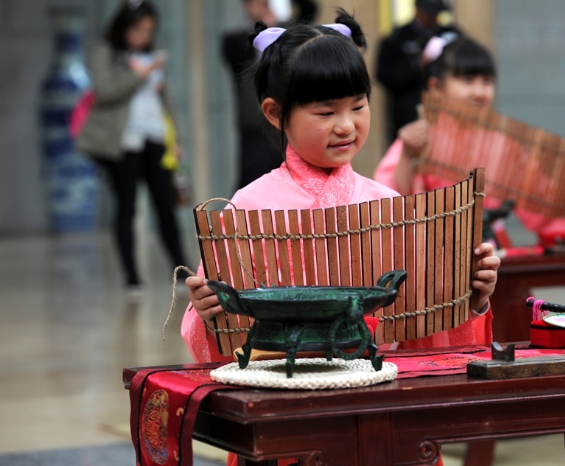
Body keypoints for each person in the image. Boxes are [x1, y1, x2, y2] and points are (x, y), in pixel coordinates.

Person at [183, 11, 500, 466]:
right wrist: (209, 311)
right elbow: (220, 345)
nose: (346, 125)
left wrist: (470, 298)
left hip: (380, 405)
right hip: (286, 414)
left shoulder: (389, 204)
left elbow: (426, 339)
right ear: (275, 113)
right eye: (326, 111)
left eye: (357, 105)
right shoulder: (248, 208)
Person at [375, 35, 565, 239]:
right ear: (435, 87)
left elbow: (541, 203)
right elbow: (392, 204)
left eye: (487, 81)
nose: (480, 91)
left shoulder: (503, 144)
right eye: (467, 80)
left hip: (492, 247)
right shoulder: (419, 137)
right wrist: (406, 154)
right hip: (434, 250)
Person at [76, 0, 188, 290]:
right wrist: (140, 74)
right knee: (127, 207)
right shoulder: (105, 52)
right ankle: (131, 276)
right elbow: (105, 91)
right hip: (122, 143)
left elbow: (167, 100)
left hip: (155, 139)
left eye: (149, 30)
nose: (144, 36)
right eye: (138, 29)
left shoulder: (151, 55)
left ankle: (181, 269)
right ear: (124, 27)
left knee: (165, 205)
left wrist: (176, 139)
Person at [222, 0, 318, 189]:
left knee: (296, 185)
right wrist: (264, 29)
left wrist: (278, 22)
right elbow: (237, 51)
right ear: (246, 7)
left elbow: (310, 10)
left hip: (288, 124)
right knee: (252, 184)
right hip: (255, 128)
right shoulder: (236, 40)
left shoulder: (286, 34)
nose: (260, 5)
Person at [376, 0, 461, 142]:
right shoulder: (397, 38)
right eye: (429, 13)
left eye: (436, 13)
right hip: (408, 114)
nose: (432, 17)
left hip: (448, 112)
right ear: (416, 8)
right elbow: (384, 75)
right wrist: (417, 65)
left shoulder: (452, 35)